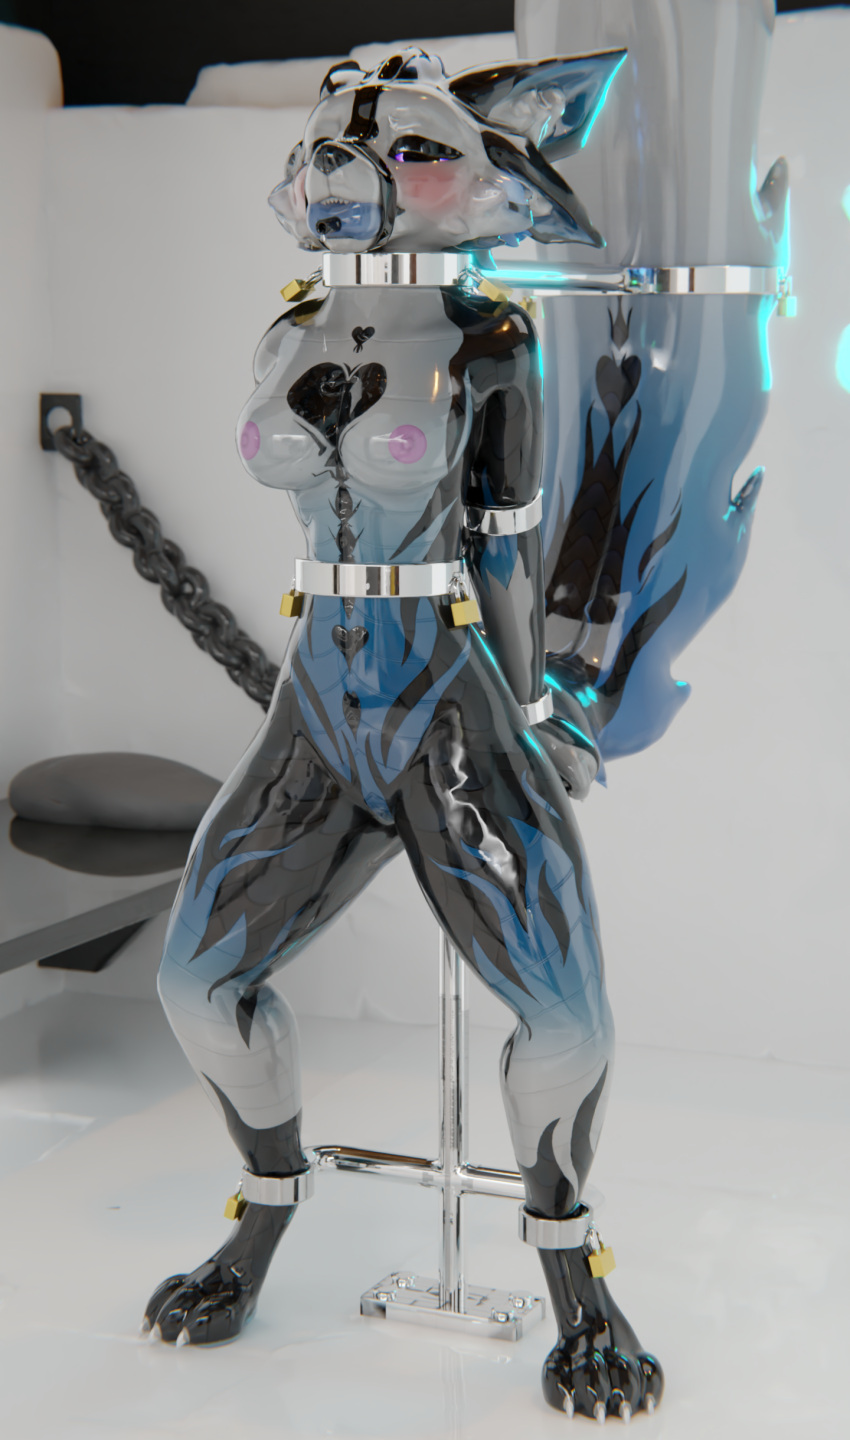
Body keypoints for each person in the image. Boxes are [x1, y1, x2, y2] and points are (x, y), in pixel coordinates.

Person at [144, 47, 661, 1421]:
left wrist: (538, 712)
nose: (352, 170)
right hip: (321, 697)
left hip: (447, 695)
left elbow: (508, 546)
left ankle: (573, 1275)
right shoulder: (288, 327)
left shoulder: (493, 343)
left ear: (478, 183)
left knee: (566, 1018)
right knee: (196, 984)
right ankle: (263, 1213)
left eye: (412, 152)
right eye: (337, 143)